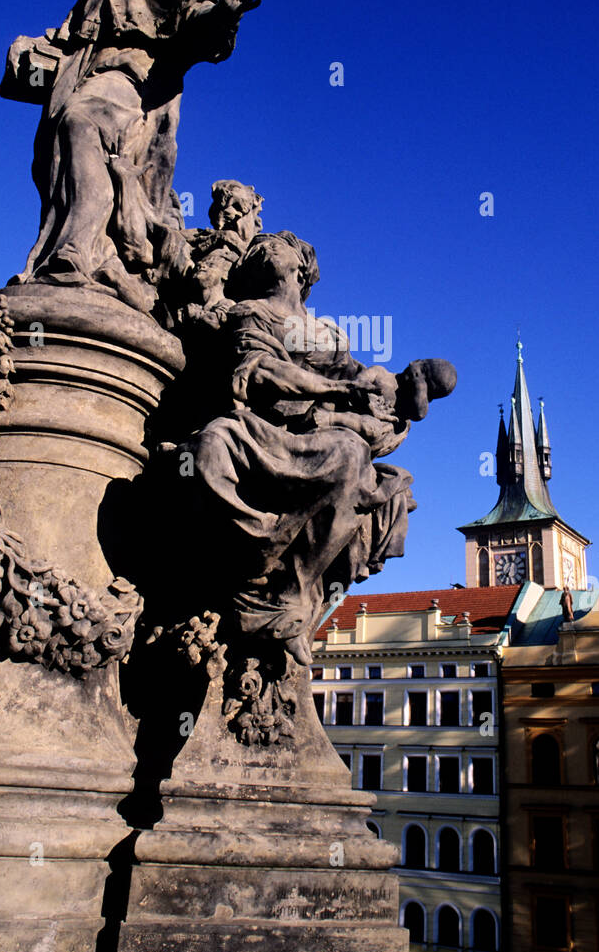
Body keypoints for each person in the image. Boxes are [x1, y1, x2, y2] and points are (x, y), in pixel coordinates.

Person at [0, 0, 262, 311]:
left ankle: (78, 252)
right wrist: (33, 54)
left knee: (81, 125)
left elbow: (195, 22)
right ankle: (86, 252)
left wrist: (225, 14)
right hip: (78, 77)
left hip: (132, 84)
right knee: (62, 145)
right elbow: (69, 37)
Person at [180, 231, 455, 664]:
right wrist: (339, 389)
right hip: (266, 427)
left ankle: (291, 594)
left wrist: (378, 407)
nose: (273, 251)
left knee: (357, 460)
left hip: (317, 435)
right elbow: (260, 371)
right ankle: (260, 555)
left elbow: (363, 384)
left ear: (302, 271)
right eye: (265, 250)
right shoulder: (251, 313)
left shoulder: (326, 334)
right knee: (211, 445)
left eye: (284, 249)